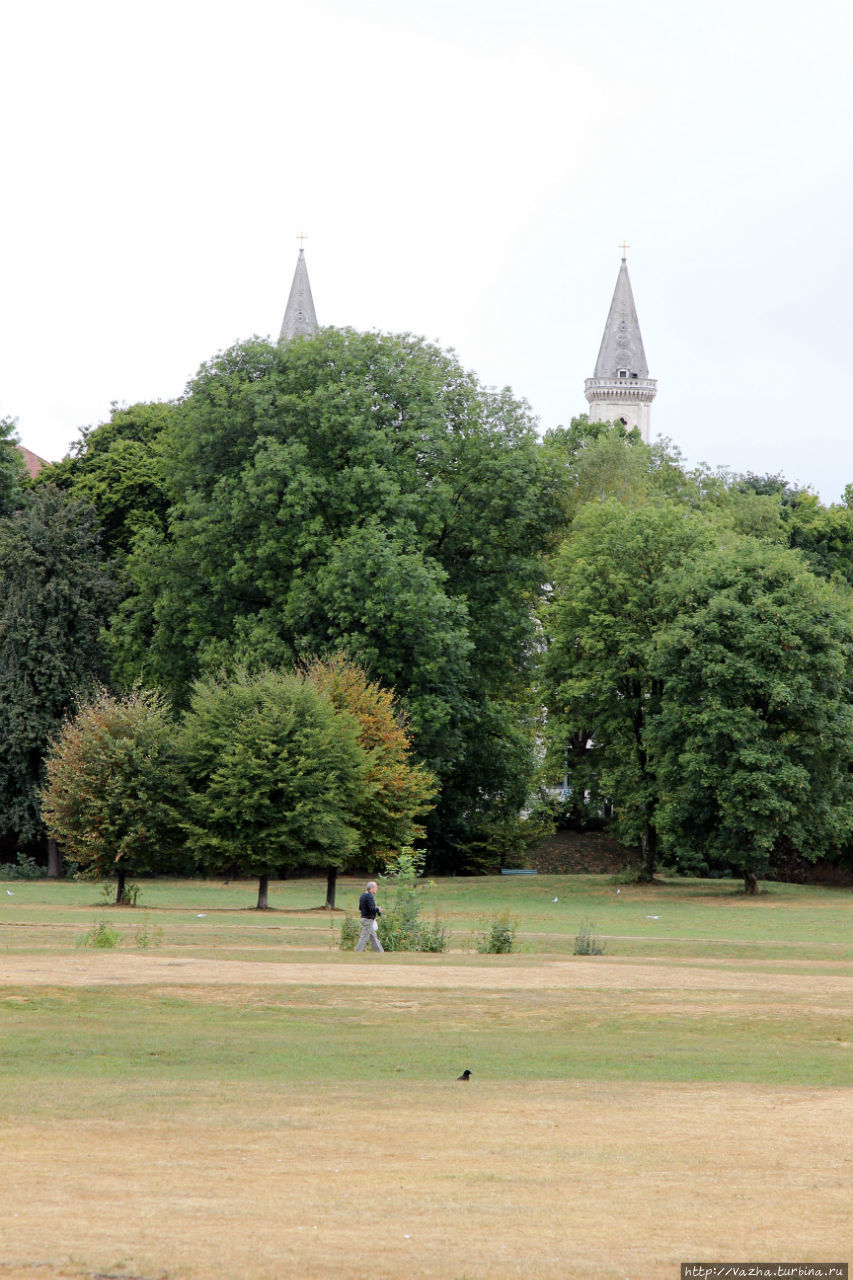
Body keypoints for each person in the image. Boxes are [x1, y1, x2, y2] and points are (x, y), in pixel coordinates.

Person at [354, 880, 384, 953]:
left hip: (364, 918)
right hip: (368, 920)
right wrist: (378, 909)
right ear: (372, 888)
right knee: (364, 937)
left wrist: (373, 908)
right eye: (376, 887)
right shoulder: (369, 896)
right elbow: (371, 909)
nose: (376, 889)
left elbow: (360, 908)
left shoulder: (363, 895)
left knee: (373, 936)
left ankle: (380, 952)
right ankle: (357, 952)